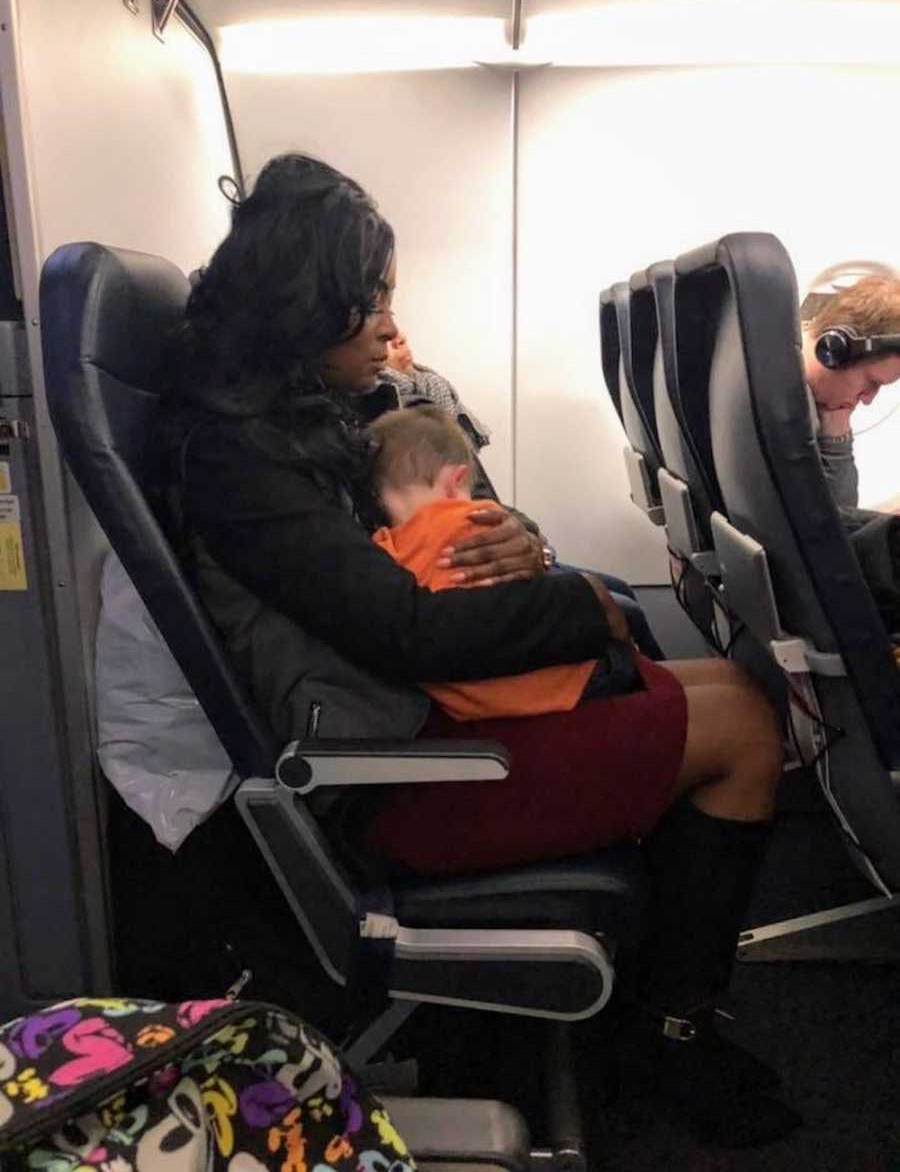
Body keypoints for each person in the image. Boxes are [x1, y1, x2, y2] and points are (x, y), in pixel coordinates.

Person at [163, 152, 799, 1147]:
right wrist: (588, 603)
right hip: (393, 780)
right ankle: (664, 1040)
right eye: (366, 302)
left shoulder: (308, 424)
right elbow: (409, 633)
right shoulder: (239, 461)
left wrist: (528, 544)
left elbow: (436, 537)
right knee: (747, 728)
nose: (386, 325)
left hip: (424, 730)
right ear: (302, 306)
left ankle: (648, 1004)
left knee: (722, 682)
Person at [378, 330, 666, 658]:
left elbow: (483, 495)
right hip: (464, 604)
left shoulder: (424, 394)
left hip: (492, 567)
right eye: (376, 307)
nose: (394, 332)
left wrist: (530, 540)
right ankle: (654, 688)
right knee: (620, 607)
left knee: (619, 591)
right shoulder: (393, 424)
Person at [369, 405, 641, 717]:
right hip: (560, 685)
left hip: (465, 703)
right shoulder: (481, 518)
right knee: (624, 631)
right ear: (456, 479)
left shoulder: (382, 548)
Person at [801, 276, 900, 510]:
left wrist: (837, 432)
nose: (867, 399)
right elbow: (838, 520)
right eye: (872, 382)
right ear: (835, 351)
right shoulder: (791, 404)